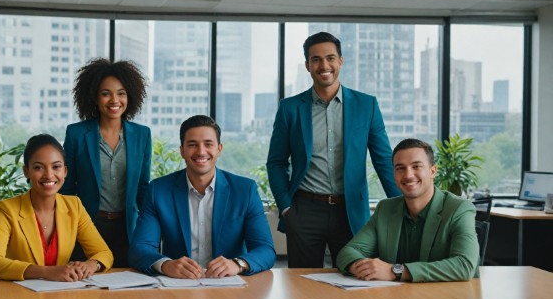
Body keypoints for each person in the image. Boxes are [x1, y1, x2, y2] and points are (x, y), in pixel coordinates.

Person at [266, 31, 400, 268]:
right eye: (316, 59)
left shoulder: (366, 105)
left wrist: (402, 205)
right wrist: (287, 207)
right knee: (303, 288)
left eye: (330, 58)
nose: (324, 65)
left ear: (341, 61)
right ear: (307, 65)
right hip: (304, 210)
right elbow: (276, 162)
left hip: (351, 211)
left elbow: (383, 160)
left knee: (356, 282)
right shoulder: (290, 108)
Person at [129, 115, 276, 278]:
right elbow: (140, 248)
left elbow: (265, 250)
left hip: (229, 287)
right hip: (178, 286)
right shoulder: (159, 190)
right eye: (192, 145)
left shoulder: (245, 190)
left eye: (208, 144)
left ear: (219, 149)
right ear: (182, 151)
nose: (201, 151)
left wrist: (237, 264)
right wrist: (166, 265)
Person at [336, 138, 480, 282]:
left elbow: (464, 265)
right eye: (400, 168)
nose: (408, 175)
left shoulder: (459, 209)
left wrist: (395, 271)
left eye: (416, 166)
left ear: (433, 171)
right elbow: (348, 253)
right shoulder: (385, 209)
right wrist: (364, 268)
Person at [0, 134, 113, 281]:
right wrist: (46, 272)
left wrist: (90, 265)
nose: (49, 175)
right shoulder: (7, 209)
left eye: (56, 167)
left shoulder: (74, 206)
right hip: (18, 296)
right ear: (26, 172)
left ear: (65, 171)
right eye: (38, 167)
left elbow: (104, 253)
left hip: (58, 295)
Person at [61, 58, 151, 267]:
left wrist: (149, 232)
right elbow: (66, 188)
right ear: (94, 96)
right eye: (106, 93)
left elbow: (142, 188)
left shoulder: (142, 135)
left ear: (130, 96)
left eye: (121, 93)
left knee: (126, 291)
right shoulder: (76, 134)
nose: (114, 100)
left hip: (127, 229)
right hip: (87, 227)